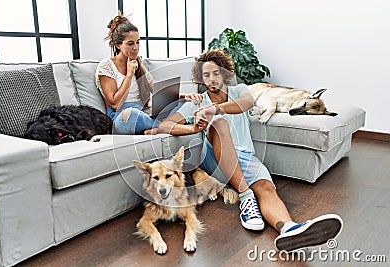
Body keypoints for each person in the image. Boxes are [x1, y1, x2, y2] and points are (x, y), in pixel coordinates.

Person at [157, 49, 343, 252]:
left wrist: (216, 109)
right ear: (201, 79)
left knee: (267, 189)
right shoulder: (200, 101)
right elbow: (165, 126)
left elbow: (248, 102)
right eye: (206, 75)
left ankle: (289, 229)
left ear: (225, 73)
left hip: (245, 158)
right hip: (214, 160)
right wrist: (194, 128)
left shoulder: (239, 91)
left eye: (216, 73)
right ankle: (246, 197)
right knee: (219, 124)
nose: (211, 79)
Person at [95, 11, 202, 135]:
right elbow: (115, 104)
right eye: (130, 43)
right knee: (130, 116)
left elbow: (158, 92)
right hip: (122, 117)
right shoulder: (106, 66)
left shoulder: (139, 64)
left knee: (189, 104)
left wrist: (183, 97)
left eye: (138, 42)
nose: (136, 47)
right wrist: (129, 74)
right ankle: (167, 125)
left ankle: (159, 127)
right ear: (118, 45)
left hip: (145, 114)